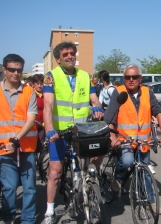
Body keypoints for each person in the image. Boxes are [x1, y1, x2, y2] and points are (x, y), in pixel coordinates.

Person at [43, 41, 104, 224]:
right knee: (55, 172)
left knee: (88, 167)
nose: (70, 56)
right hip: (59, 132)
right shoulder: (50, 77)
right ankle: (50, 211)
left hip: (81, 131)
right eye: (65, 54)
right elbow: (48, 106)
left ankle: (88, 192)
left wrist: (96, 108)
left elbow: (95, 100)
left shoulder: (86, 76)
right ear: (58, 59)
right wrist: (49, 129)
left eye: (72, 53)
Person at [104, 64, 161, 215]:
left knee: (146, 172)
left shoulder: (147, 92)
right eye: (127, 77)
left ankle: (151, 202)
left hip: (143, 142)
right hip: (125, 139)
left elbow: (158, 112)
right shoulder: (118, 92)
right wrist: (113, 137)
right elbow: (109, 118)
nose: (131, 80)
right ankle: (118, 179)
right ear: (124, 79)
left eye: (134, 77)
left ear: (140, 79)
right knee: (126, 161)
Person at [0, 54, 38, 224]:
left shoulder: (29, 91)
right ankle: (9, 214)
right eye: (11, 69)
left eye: (19, 70)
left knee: (30, 187)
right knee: (10, 186)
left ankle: (28, 219)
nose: (15, 73)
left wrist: (16, 139)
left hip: (26, 147)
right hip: (2, 148)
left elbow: (31, 119)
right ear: (4, 70)